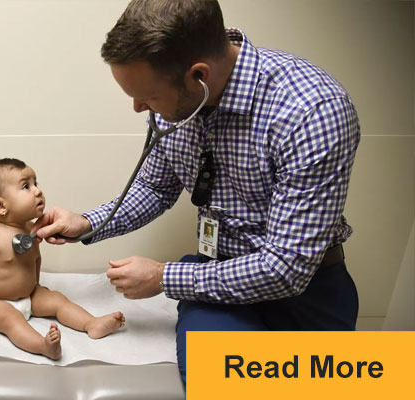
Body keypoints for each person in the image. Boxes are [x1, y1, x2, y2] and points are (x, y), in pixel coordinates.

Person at [32, 0, 360, 383]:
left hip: (305, 290)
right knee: (225, 384)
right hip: (215, 282)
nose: (139, 108)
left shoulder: (312, 111)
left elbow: (285, 269)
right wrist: (88, 222)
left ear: (198, 77)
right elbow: (155, 187)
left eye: (148, 97)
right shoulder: (175, 101)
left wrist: (164, 278)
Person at [0, 158, 126, 360]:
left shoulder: (33, 228)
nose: (37, 191)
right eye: (26, 186)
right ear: (0, 205)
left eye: (36, 183)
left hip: (30, 294)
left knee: (58, 301)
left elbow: (34, 259)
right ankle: (42, 345)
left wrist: (35, 286)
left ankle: (91, 323)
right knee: (8, 319)